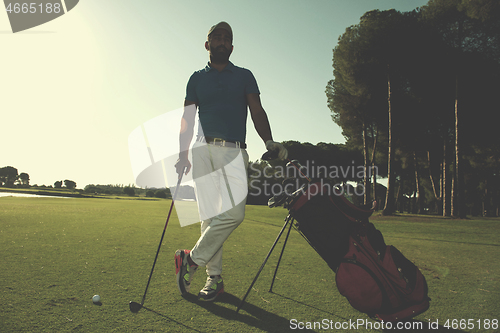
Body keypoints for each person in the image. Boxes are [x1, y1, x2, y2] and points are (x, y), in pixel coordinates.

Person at [174, 21, 288, 301]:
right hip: (203, 151)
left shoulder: (245, 76)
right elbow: (187, 119)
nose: (222, 41)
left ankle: (190, 260)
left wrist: (269, 140)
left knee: (234, 214)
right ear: (207, 44)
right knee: (209, 219)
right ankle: (214, 280)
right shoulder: (196, 78)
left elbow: (257, 110)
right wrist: (182, 154)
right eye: (217, 37)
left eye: (227, 38)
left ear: (232, 47)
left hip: (235, 152)